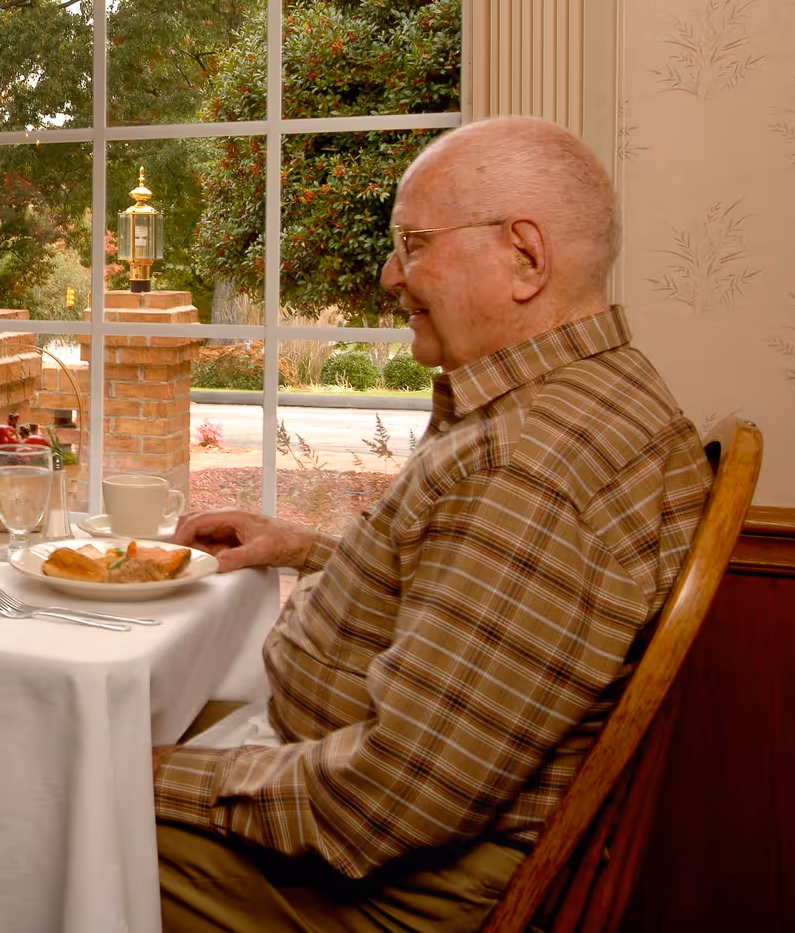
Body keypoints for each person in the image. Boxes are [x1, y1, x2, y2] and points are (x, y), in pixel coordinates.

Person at [154, 117, 712, 933]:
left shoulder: (526, 468)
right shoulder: (592, 392)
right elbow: (492, 588)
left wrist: (136, 777)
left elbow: (379, 805)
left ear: (526, 257)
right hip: (383, 796)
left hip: (390, 888)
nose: (390, 273)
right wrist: (312, 547)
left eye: (413, 243)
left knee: (37, 811)